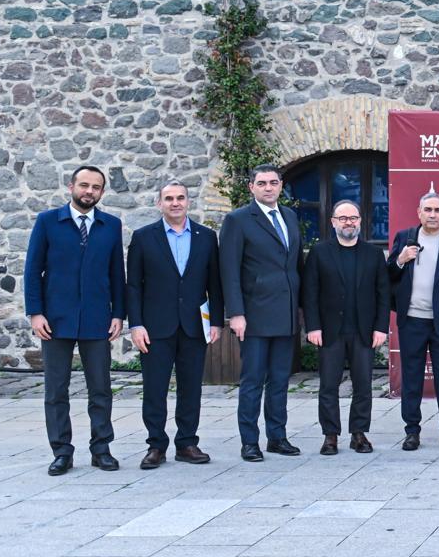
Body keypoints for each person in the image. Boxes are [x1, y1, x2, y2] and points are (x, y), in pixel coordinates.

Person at [24, 165, 125, 475]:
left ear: (102, 192)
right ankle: (61, 451)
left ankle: (101, 448)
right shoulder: (48, 222)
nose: (89, 191)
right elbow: (32, 269)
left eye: (95, 187)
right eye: (84, 185)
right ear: (71, 187)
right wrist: (35, 312)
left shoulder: (111, 225)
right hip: (55, 319)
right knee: (56, 390)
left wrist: (119, 313)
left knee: (101, 388)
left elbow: (116, 274)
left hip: (97, 319)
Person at [126, 179, 223, 469]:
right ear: (159, 204)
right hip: (155, 328)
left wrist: (216, 321)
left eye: (180, 197)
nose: (175, 203)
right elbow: (134, 286)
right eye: (169, 198)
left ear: (188, 202)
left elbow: (214, 284)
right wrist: (136, 325)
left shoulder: (206, 237)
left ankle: (187, 443)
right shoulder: (143, 237)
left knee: (191, 387)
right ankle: (156, 445)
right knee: (154, 388)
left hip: (194, 326)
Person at [220, 164, 302, 462]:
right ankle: (249, 442)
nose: (268, 188)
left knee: (280, 379)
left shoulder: (290, 216)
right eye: (262, 183)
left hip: (286, 313)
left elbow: (294, 266)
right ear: (251, 187)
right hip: (253, 315)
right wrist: (236, 313)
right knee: (253, 379)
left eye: (274, 183)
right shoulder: (238, 220)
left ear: (281, 186)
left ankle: (277, 437)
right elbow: (229, 271)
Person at [302, 200, 389, 456]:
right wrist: (313, 326)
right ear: (333, 222)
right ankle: (330, 435)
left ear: (361, 221)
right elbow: (310, 293)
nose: (348, 222)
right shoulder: (319, 252)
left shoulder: (373, 254)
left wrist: (381, 327)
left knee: (363, 385)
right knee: (329, 385)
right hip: (330, 331)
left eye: (353, 217)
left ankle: (359, 434)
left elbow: (383, 294)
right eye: (343, 218)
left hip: (364, 331)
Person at [388, 191, 439, 451]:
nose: (432, 215)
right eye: (428, 210)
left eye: (437, 210)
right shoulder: (405, 238)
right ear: (419, 213)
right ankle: (412, 431)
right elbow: (388, 274)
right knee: (412, 378)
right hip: (411, 320)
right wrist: (401, 259)